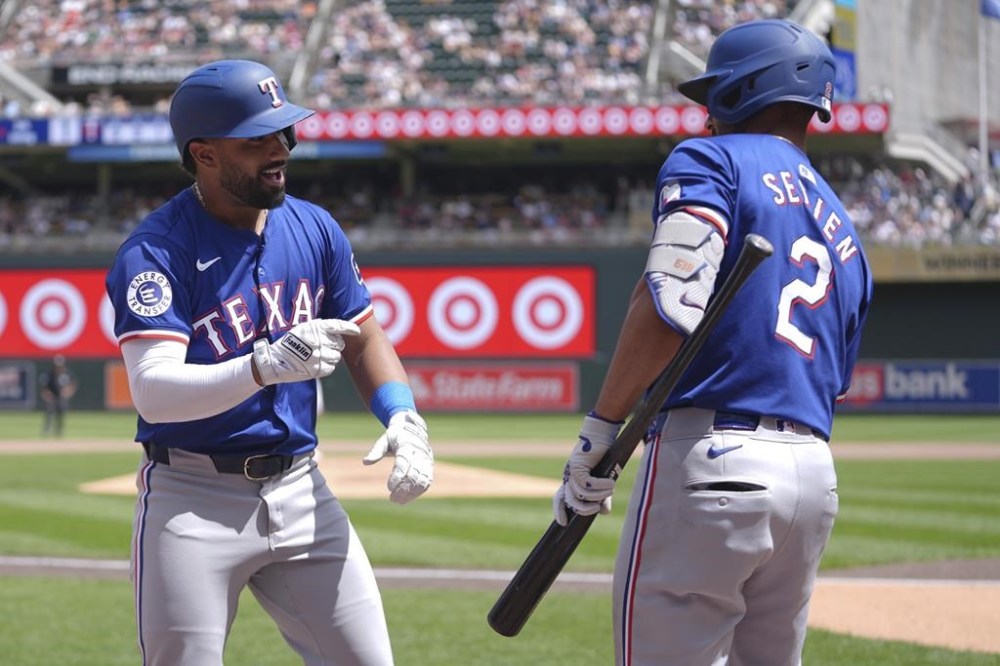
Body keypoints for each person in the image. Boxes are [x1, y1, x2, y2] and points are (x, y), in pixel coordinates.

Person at [551, 19, 873, 666]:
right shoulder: (846, 228)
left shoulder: (711, 159)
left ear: (739, 92)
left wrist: (601, 431)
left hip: (713, 464)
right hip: (813, 480)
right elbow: (833, 376)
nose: (704, 115)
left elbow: (669, 299)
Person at [104, 59, 433, 665]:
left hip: (302, 489)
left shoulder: (314, 227)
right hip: (192, 500)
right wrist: (261, 365)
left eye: (283, 132)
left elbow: (364, 335)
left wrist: (402, 414)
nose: (280, 148)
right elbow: (153, 392)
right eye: (256, 140)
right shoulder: (156, 251)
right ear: (203, 154)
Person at [39, 354, 77, 437]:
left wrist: (68, 392)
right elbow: (44, 388)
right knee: (49, 412)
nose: (58, 367)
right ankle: (46, 430)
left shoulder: (66, 374)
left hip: (61, 397)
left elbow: (72, 384)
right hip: (52, 397)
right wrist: (47, 394)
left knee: (61, 413)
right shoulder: (49, 374)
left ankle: (59, 431)